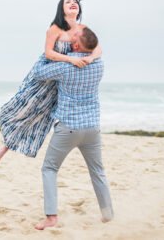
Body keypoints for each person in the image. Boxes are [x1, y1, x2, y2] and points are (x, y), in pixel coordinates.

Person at [0, 0, 101, 165]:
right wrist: (71, 60)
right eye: (68, 2)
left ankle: (6, 148)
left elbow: (98, 49)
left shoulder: (83, 28)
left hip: (63, 80)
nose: (73, 3)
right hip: (45, 77)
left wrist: (91, 58)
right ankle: (4, 146)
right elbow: (49, 53)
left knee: (42, 117)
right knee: (26, 111)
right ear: (61, 9)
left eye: (75, 2)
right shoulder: (55, 29)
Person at [32, 27, 114, 230]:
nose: (69, 36)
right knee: (98, 171)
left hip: (68, 128)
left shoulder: (65, 67)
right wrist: (92, 53)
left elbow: (38, 72)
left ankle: (51, 217)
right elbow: (97, 50)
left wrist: (49, 49)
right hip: (92, 128)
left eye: (73, 37)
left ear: (76, 45)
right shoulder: (99, 65)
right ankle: (107, 212)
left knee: (49, 169)